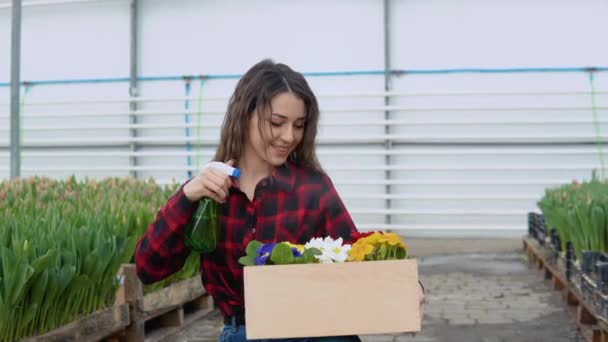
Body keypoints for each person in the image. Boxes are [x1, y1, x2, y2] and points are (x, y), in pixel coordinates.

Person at [134, 59, 423, 342]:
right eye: (277, 123)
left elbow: (355, 251)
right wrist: (186, 197)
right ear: (245, 114)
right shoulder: (209, 193)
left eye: (299, 125)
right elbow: (149, 269)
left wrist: (405, 289)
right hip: (242, 333)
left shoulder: (312, 188)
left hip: (312, 332)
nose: (289, 136)